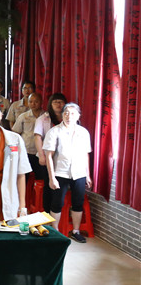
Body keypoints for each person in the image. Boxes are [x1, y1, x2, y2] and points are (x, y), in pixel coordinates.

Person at [43, 103, 92, 242]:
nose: (69, 116)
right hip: (60, 172)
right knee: (57, 203)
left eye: (72, 113)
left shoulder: (83, 132)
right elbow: (49, 156)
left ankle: (76, 231)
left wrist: (87, 175)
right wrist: (52, 178)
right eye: (66, 113)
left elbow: (85, 154)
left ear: (78, 116)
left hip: (79, 172)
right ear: (62, 115)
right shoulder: (54, 132)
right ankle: (55, 231)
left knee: (78, 202)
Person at [33, 93, 67, 212]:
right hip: (47, 157)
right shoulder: (43, 118)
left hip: (62, 159)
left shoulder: (69, 119)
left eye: (61, 102)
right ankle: (47, 211)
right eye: (55, 102)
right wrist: (42, 156)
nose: (58, 104)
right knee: (49, 184)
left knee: (60, 185)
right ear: (50, 104)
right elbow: (37, 137)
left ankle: (58, 210)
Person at [12, 92, 44, 192]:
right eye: (30, 101)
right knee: (23, 178)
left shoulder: (46, 116)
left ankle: (38, 199)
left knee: (40, 179)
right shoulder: (23, 116)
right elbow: (16, 133)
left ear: (41, 102)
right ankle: (21, 198)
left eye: (36, 101)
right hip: (26, 152)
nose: (33, 104)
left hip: (41, 153)